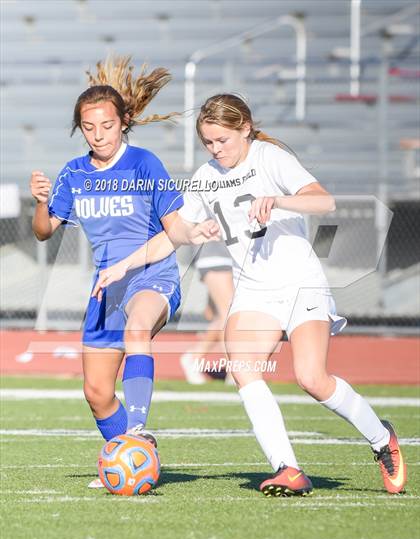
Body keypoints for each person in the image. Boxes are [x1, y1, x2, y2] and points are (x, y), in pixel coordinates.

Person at [92, 93, 407, 496]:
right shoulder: (206, 177)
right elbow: (174, 236)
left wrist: (278, 200)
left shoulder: (269, 157)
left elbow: (325, 201)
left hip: (300, 283)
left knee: (312, 379)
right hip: (255, 290)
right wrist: (127, 264)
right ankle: (288, 468)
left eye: (222, 140)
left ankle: (382, 440)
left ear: (244, 128)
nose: (215, 149)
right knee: (243, 367)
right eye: (208, 142)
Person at [30, 56, 214, 489]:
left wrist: (194, 230)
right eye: (89, 127)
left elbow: (174, 229)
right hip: (106, 289)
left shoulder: (145, 163)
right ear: (80, 129)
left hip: (153, 276)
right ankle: (135, 459)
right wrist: (40, 200)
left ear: (124, 122)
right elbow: (43, 232)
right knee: (96, 393)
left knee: (138, 329)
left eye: (107, 126)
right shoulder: (73, 174)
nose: (99, 135)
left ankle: (137, 433)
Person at [180, 241, 235, 385]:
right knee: (229, 315)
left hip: (228, 255)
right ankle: (232, 371)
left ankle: (193, 357)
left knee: (223, 316)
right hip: (216, 253)